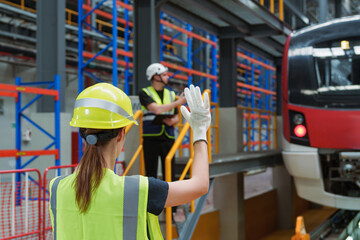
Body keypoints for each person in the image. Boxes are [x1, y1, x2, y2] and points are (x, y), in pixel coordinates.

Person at [49, 83, 211, 240]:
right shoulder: (137, 190)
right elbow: (201, 184)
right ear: (121, 134)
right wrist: (199, 131)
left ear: (82, 132)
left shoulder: (56, 187)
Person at [139, 63, 186, 181]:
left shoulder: (170, 94)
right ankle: (152, 198)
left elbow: (177, 115)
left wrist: (173, 121)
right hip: (151, 138)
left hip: (168, 137)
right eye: (164, 75)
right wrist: (178, 102)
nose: (167, 77)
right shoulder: (144, 93)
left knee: (170, 172)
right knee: (151, 173)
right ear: (155, 77)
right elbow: (156, 109)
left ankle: (171, 197)